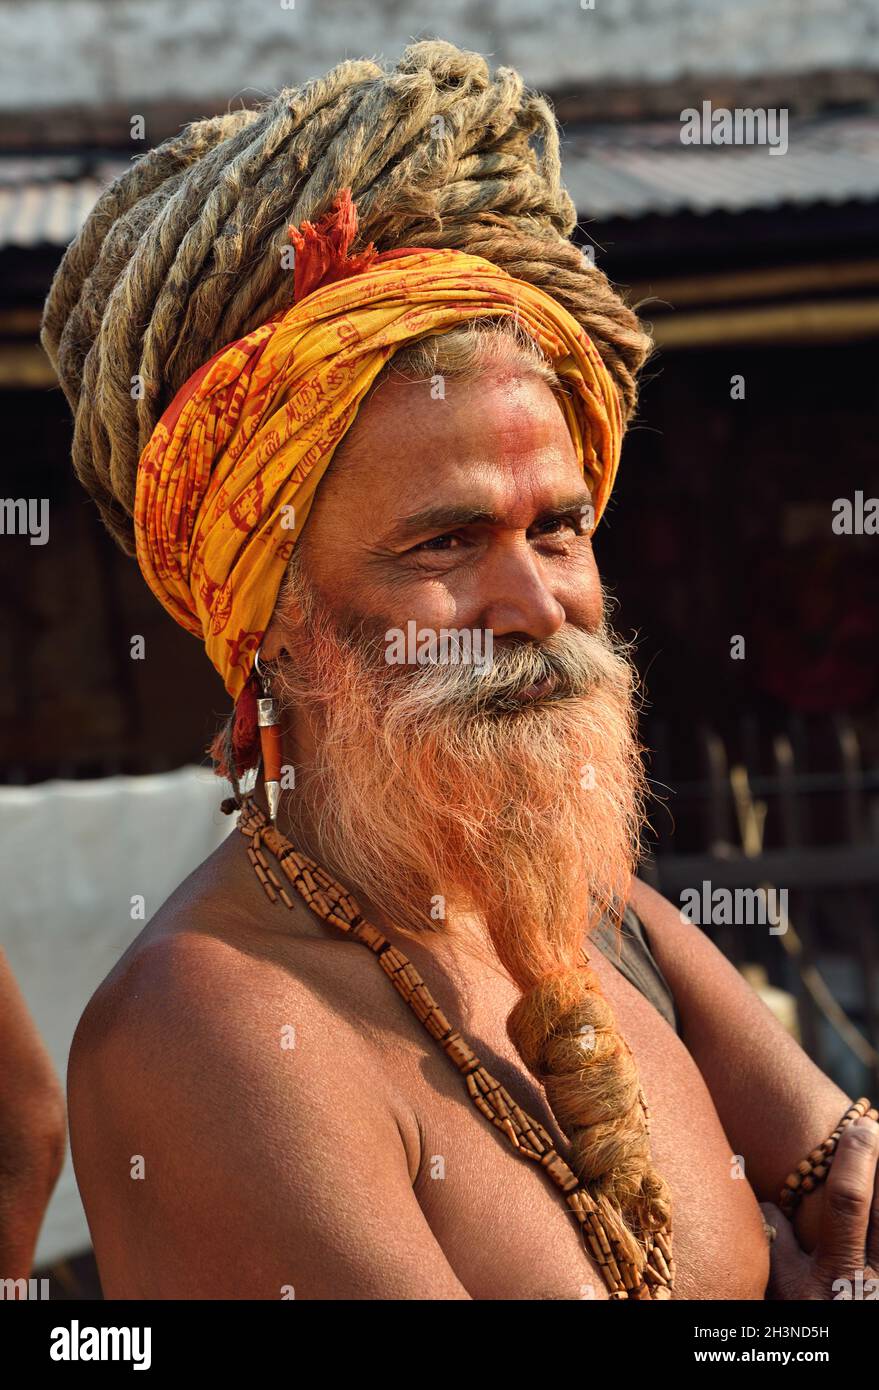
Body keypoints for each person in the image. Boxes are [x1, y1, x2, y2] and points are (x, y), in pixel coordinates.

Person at [42, 40, 877, 1300]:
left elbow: (849, 1182)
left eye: (558, 526)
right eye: (444, 540)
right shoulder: (209, 1030)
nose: (536, 603)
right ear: (270, 616)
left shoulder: (597, 917)